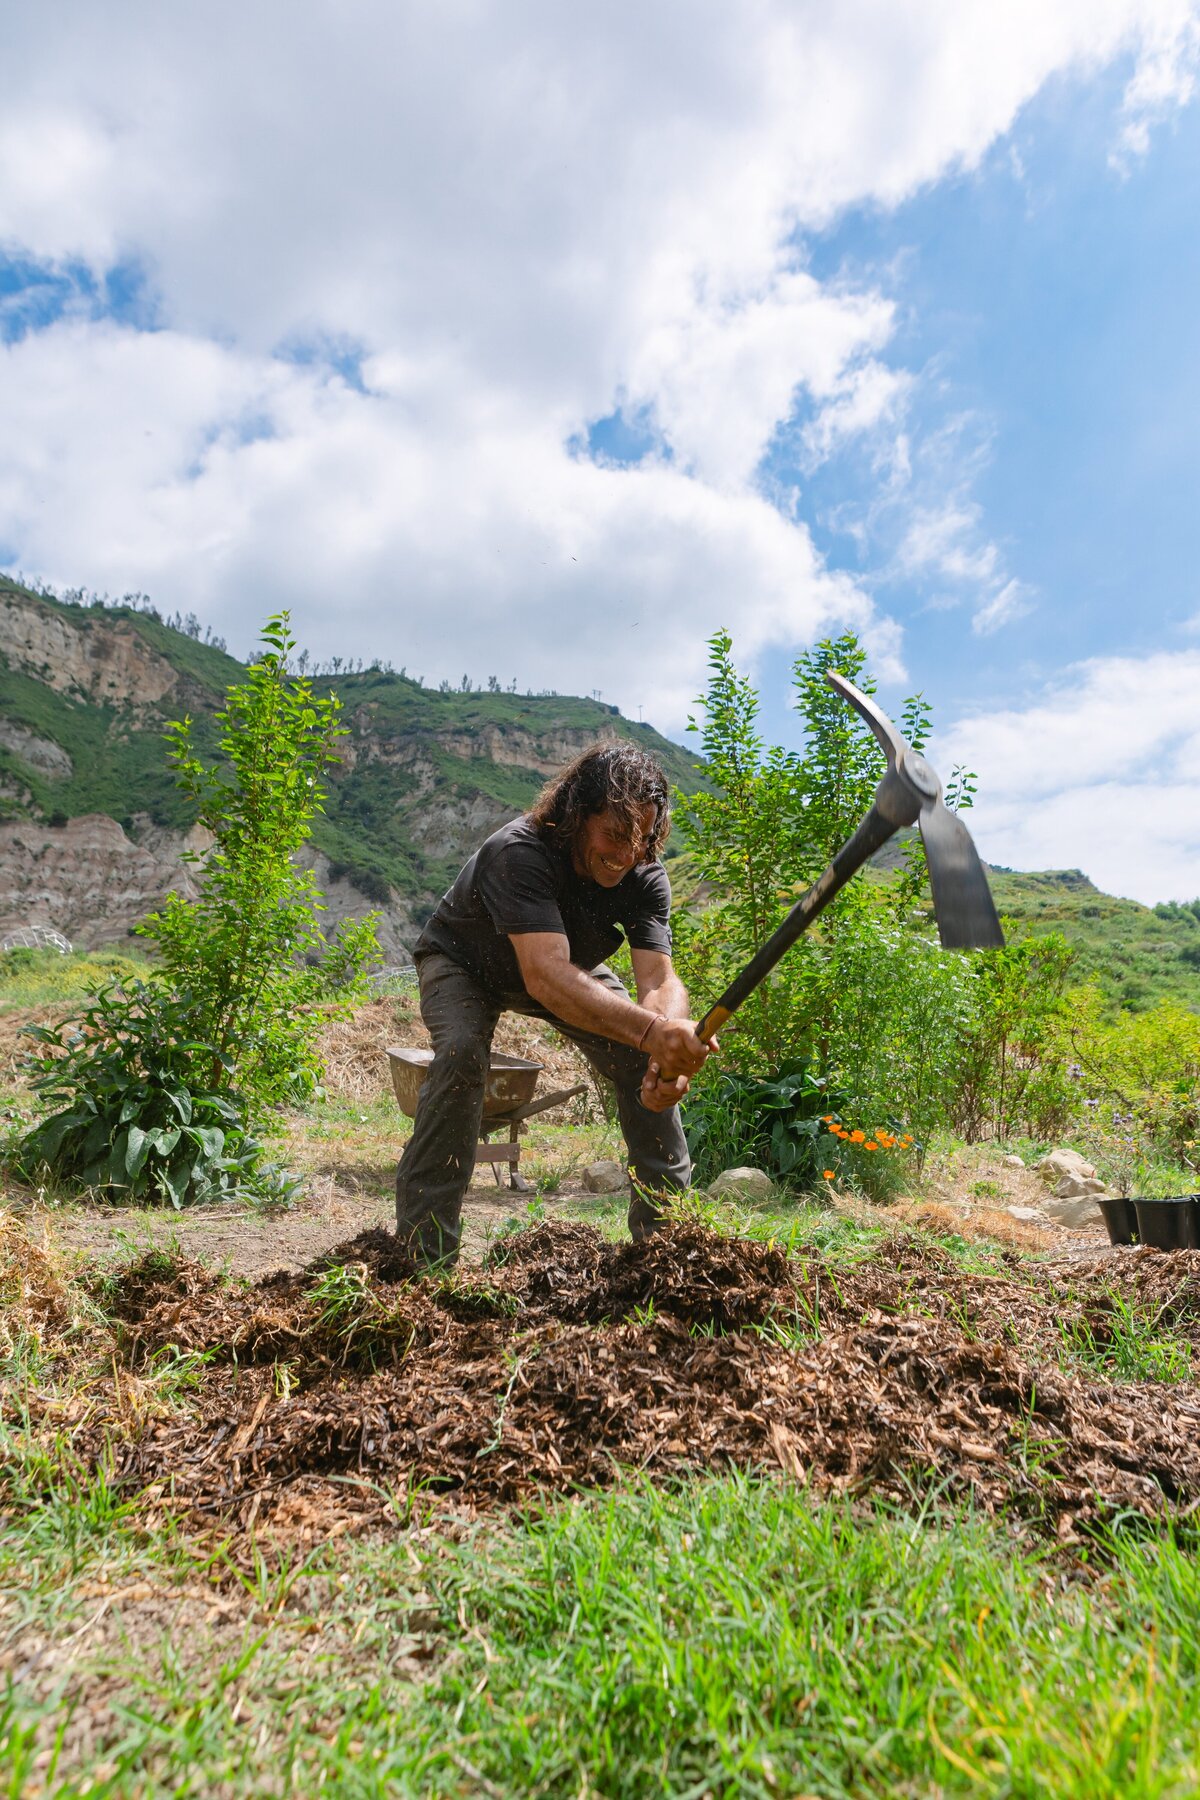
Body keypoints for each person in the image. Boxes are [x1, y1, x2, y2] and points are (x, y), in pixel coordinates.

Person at [395, 740, 716, 1264]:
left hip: (569, 967)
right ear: (575, 815)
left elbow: (659, 977)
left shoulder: (643, 872)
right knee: (459, 1057)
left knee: (641, 1057)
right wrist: (652, 1031)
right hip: (464, 962)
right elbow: (544, 975)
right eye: (614, 834)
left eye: (640, 840)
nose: (624, 855)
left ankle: (668, 1249)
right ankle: (421, 1256)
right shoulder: (519, 852)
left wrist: (668, 1044)